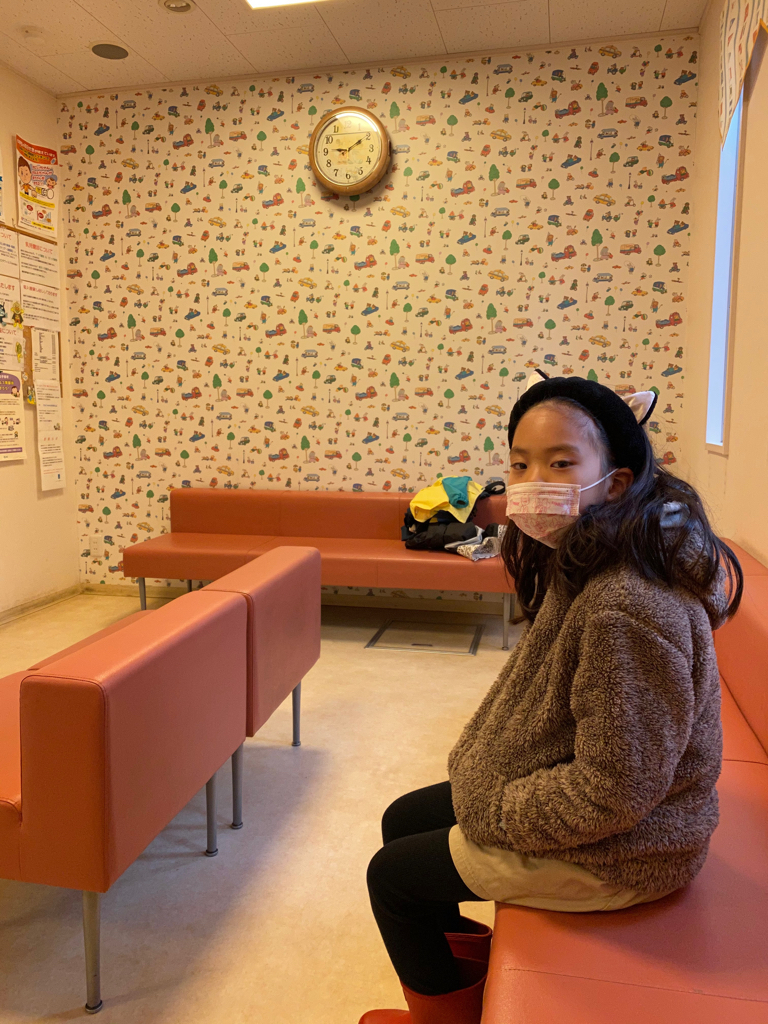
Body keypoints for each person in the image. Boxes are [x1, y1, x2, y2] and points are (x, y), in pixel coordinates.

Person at [360, 372, 743, 1024]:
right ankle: (465, 979)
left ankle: (441, 1017)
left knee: (392, 877)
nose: (533, 480)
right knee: (402, 818)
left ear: (615, 481)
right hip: (608, 808)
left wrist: (498, 809)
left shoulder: (628, 604)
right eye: (520, 463)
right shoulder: (591, 550)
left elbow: (617, 791)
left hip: (628, 851)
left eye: (561, 463)